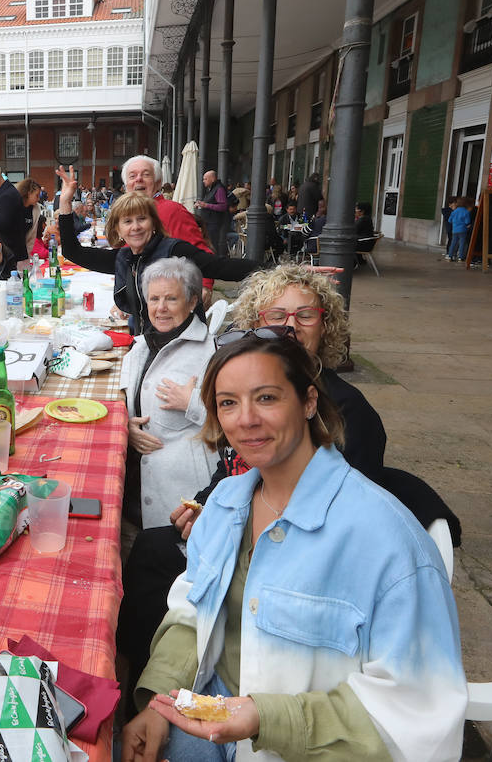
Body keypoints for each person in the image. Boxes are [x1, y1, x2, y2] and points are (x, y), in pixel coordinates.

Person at [121, 331, 465, 762]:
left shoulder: (387, 540)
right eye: (228, 403)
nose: (245, 420)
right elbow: (192, 612)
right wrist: (159, 704)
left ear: (308, 401)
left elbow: (420, 710)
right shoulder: (226, 504)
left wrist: (265, 718)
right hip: (210, 709)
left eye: (266, 398)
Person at [118, 265, 388, 683]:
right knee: (149, 551)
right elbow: (232, 466)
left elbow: (351, 520)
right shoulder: (246, 392)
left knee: (155, 565)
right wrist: (203, 503)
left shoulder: (351, 412)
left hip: (290, 568)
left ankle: (164, 684)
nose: (291, 326)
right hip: (238, 526)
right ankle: (148, 685)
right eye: (276, 316)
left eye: (305, 315)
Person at [56, 167, 259, 335]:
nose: (135, 227)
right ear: (119, 229)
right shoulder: (124, 258)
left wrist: (274, 270)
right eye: (127, 221)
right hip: (144, 343)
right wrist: (65, 202)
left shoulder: (174, 251)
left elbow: (222, 267)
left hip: (180, 348)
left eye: (142, 219)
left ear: (153, 223)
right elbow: (73, 253)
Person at [120, 258, 216, 531]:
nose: (160, 308)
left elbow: (234, 427)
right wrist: (127, 428)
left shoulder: (211, 353)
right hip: (135, 491)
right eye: (154, 299)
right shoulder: (141, 346)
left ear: (192, 301)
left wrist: (192, 403)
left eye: (171, 299)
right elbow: (124, 400)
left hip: (180, 504)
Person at [121, 155, 215, 298]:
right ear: (126, 185)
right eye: (132, 176)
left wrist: (205, 286)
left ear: (158, 183)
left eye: (146, 175)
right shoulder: (125, 213)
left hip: (168, 299)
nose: (138, 179)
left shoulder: (172, 211)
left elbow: (200, 252)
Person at [0, 167, 29, 268]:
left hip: (11, 250)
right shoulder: (7, 191)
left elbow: (3, 224)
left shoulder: (6, 195)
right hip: (13, 248)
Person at [198, 170, 230, 256]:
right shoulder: (211, 189)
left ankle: (214, 260)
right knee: (209, 243)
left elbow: (223, 206)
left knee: (213, 243)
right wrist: (201, 204)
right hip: (208, 222)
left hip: (214, 222)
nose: (203, 181)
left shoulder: (219, 189)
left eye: (205, 179)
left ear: (212, 179)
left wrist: (206, 205)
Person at [447, 196, 472, 262]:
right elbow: (467, 222)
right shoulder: (466, 212)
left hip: (455, 230)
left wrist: (455, 223)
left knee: (453, 243)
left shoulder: (454, 212)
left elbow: (449, 220)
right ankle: (460, 257)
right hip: (463, 230)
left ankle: (450, 256)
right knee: (462, 243)